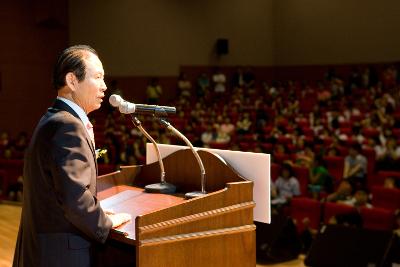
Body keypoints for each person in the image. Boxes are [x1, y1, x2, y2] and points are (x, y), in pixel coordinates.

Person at [13, 45, 131, 267]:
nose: (105, 86)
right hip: (60, 254)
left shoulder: (54, 118)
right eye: (98, 77)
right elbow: (74, 198)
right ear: (72, 80)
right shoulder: (67, 126)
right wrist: (105, 222)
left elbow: (59, 189)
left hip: (45, 248)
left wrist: (96, 208)